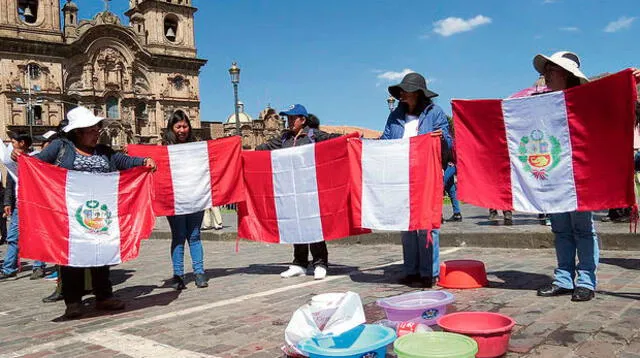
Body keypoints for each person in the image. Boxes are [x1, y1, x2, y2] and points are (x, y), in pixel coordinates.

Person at [14, 106, 156, 318]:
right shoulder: (61, 147)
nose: (97, 132)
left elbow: (123, 161)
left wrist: (143, 162)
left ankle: (104, 297)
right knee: (72, 259)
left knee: (102, 255)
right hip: (69, 215)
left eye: (97, 128)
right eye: (92, 129)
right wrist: (22, 158)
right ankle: (73, 302)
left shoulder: (104, 151)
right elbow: (37, 165)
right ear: (78, 131)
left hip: (100, 213)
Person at [534, 51, 640, 302]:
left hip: (582, 175)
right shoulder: (540, 103)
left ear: (566, 75)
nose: (546, 76)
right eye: (545, 71)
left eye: (551, 70)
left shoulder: (590, 100)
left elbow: (619, 109)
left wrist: (632, 81)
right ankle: (563, 278)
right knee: (560, 229)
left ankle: (585, 280)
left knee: (583, 229)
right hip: (555, 174)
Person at [381, 72, 452, 288]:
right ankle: (411, 270)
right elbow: (385, 141)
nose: (401, 93)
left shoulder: (435, 113)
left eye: (406, 90)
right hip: (401, 175)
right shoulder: (395, 117)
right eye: (400, 90)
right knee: (407, 223)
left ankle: (428, 272)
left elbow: (448, 143)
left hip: (427, 174)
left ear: (418, 93)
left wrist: (440, 139)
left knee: (426, 224)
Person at [256, 105, 340, 280]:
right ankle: (299, 263)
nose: (290, 121)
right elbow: (263, 149)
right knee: (295, 225)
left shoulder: (313, 135)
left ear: (303, 119)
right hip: (290, 189)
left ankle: (320, 263)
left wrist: (351, 138)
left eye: (293, 118)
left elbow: (333, 140)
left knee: (313, 225)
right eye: (288, 118)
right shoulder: (284, 138)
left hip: (311, 190)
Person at [163, 110, 209, 290]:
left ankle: (199, 272)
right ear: (171, 128)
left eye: (185, 126)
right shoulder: (164, 148)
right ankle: (178, 275)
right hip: (175, 199)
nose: (182, 130)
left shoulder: (197, 147)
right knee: (179, 236)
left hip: (195, 196)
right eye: (178, 127)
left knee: (195, 236)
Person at [0, 132, 47, 280]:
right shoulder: (12, 160)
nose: (11, 145)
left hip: (35, 202)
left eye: (14, 142)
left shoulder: (37, 157)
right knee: (13, 237)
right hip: (19, 203)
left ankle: (38, 266)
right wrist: (8, 202)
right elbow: (10, 183)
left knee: (36, 235)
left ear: (23, 143)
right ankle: (9, 268)